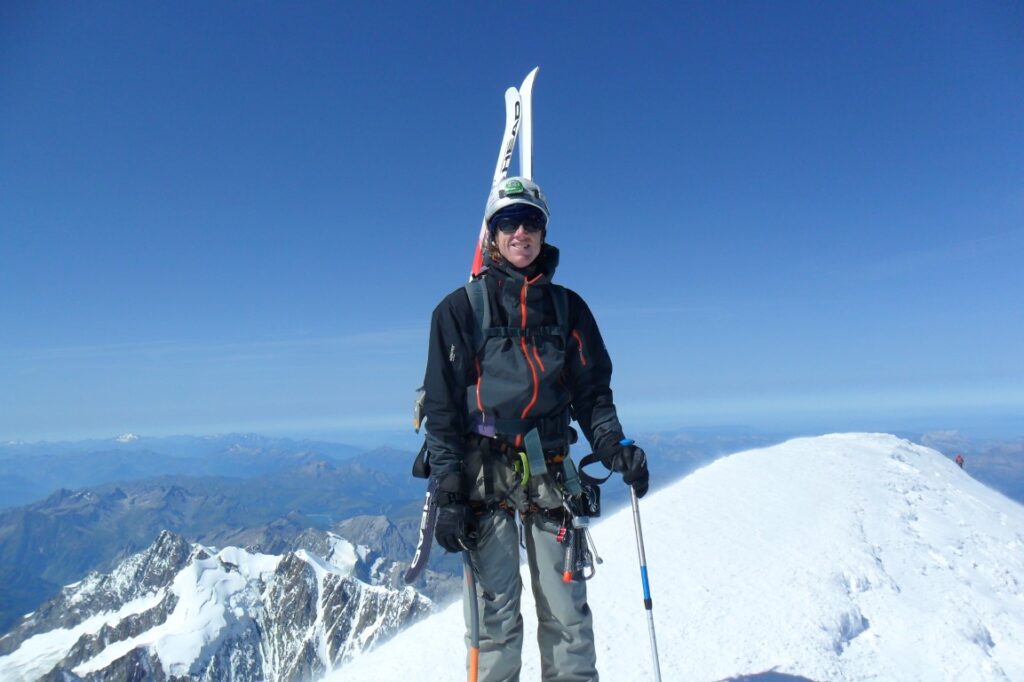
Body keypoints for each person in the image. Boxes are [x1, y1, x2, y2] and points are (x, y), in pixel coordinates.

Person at [420, 176, 649, 682]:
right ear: (492, 234)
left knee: (567, 613)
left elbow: (592, 395)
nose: (520, 232)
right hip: (483, 475)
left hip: (552, 473)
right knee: (495, 619)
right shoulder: (458, 310)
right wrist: (451, 491)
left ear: (543, 234)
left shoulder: (569, 310)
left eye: (531, 222)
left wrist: (614, 447)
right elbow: (441, 411)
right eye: (508, 222)